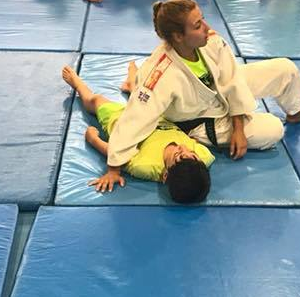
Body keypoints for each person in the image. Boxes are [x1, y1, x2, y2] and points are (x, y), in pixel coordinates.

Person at [94, 0, 300, 191]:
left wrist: (238, 127)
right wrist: (114, 167)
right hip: (197, 119)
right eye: (197, 25)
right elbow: (135, 118)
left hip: (219, 92)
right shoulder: (160, 74)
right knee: (272, 129)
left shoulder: (210, 41)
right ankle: (138, 86)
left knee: (285, 69)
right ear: (178, 36)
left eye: (203, 19)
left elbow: (231, 79)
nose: (206, 27)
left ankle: (296, 112)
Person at [62, 63, 213, 202]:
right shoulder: (205, 157)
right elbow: (195, 142)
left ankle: (77, 84)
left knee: (95, 101)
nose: (183, 147)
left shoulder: (146, 166)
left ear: (165, 175)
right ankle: (131, 84)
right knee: (143, 93)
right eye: (192, 154)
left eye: (178, 155)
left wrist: (93, 140)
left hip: (123, 121)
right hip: (156, 116)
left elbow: (117, 153)